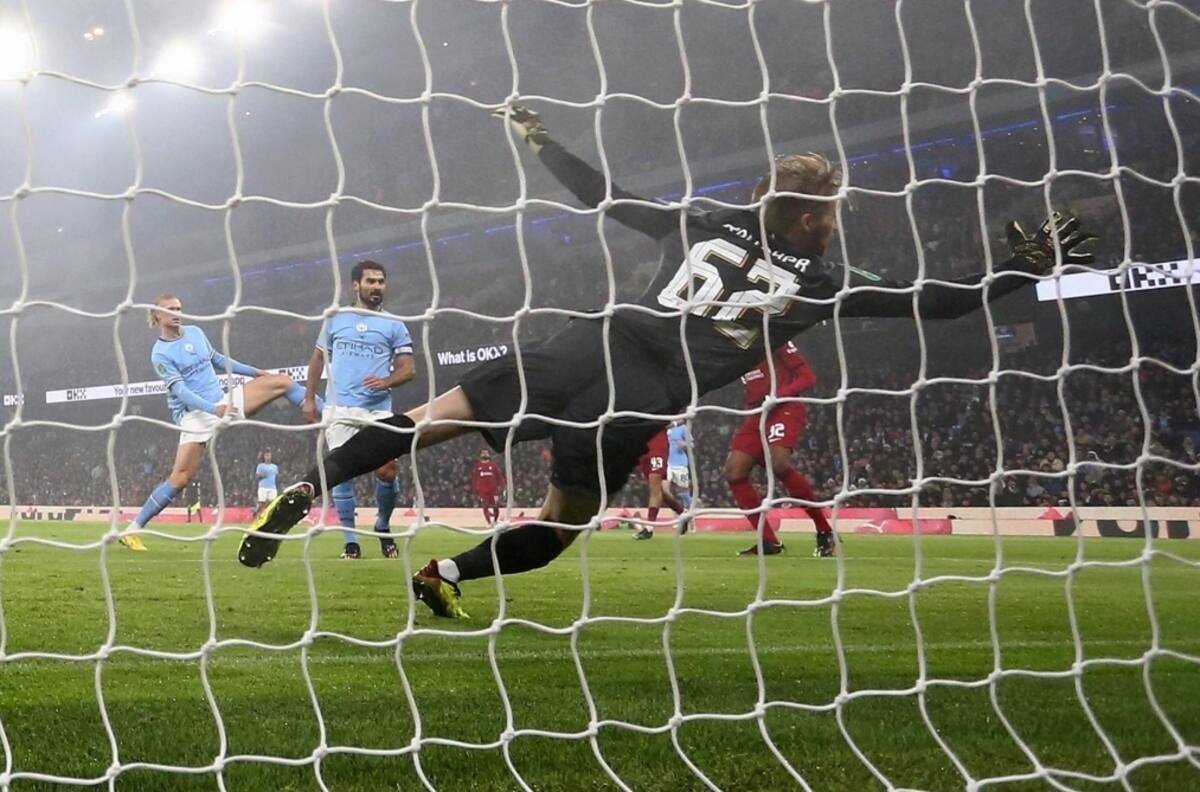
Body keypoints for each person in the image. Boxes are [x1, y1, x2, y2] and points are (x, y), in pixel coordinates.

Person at [238, 105, 1095, 620]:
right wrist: (1021, 269)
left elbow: (604, 195)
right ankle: (445, 574)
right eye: (831, 212)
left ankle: (309, 489)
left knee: (428, 422)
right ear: (808, 219)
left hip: (588, 343)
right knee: (561, 525)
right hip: (636, 398)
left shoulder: (703, 220)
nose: (836, 223)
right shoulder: (823, 282)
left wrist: (542, 141)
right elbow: (940, 302)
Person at [122, 294, 311, 550]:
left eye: (179, 308)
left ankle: (327, 414)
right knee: (180, 479)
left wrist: (255, 372)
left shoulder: (195, 332)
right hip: (195, 415)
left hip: (222, 401)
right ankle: (132, 531)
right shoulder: (160, 354)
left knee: (282, 382)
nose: (177, 312)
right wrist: (214, 409)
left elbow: (219, 360)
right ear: (157, 315)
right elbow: (180, 391)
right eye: (170, 309)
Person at [302, 260, 414, 559]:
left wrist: (387, 381)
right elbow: (317, 360)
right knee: (341, 473)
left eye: (381, 281)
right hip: (340, 409)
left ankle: (383, 525)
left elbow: (409, 369)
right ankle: (351, 541)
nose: (377, 287)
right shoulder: (336, 318)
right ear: (356, 285)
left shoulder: (394, 324)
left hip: (377, 411)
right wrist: (309, 399)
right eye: (370, 281)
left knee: (388, 470)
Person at [723, 341, 836, 557]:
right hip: (757, 413)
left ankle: (824, 530)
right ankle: (768, 541)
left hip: (784, 407)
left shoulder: (774, 338)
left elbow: (808, 377)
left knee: (779, 464)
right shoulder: (735, 347)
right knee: (734, 473)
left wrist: (779, 395)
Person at [633, 428, 685, 541]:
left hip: (657, 447)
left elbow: (672, 420)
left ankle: (649, 528)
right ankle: (683, 513)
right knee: (658, 490)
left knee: (655, 489)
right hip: (643, 448)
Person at [471, 449, 506, 525]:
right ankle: (489, 523)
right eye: (483, 453)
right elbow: (474, 479)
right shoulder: (478, 467)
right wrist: (475, 491)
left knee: (496, 506)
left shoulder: (494, 466)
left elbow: (500, 477)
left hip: (493, 490)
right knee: (485, 506)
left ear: (489, 455)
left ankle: (495, 521)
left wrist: (503, 487)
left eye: (486, 453)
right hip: (483, 491)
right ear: (480, 455)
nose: (484, 454)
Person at [665, 420, 694, 512]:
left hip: (679, 464)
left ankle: (690, 512)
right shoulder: (663, 428)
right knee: (665, 490)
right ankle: (678, 511)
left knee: (683, 491)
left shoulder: (683, 428)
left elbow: (692, 444)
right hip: (666, 463)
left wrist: (685, 444)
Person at [255, 451, 279, 515]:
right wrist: (263, 475)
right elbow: (257, 476)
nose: (268, 457)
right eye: (266, 455)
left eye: (269, 455)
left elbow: (276, 477)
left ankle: (268, 516)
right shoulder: (260, 466)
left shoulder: (275, 467)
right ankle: (258, 515)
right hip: (263, 487)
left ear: (271, 457)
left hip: (272, 487)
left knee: (272, 503)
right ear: (264, 457)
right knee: (262, 503)